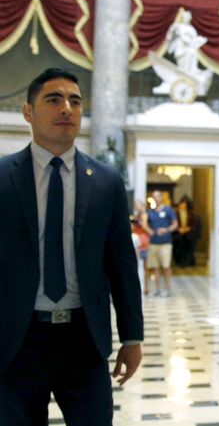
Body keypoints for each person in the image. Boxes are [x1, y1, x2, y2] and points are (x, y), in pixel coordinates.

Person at [0, 68, 143, 424]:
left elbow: (121, 264)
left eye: (75, 101)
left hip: (83, 340)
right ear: (28, 112)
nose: (66, 108)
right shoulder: (2, 177)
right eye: (54, 99)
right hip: (16, 339)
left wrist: (132, 336)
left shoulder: (106, 182)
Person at [147, 190, 177, 296]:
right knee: (155, 267)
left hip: (165, 242)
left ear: (161, 198)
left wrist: (166, 230)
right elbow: (144, 223)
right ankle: (157, 289)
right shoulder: (150, 212)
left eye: (157, 196)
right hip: (153, 242)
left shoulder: (168, 210)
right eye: (153, 197)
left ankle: (168, 289)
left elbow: (175, 224)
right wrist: (149, 231)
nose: (156, 199)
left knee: (166, 266)